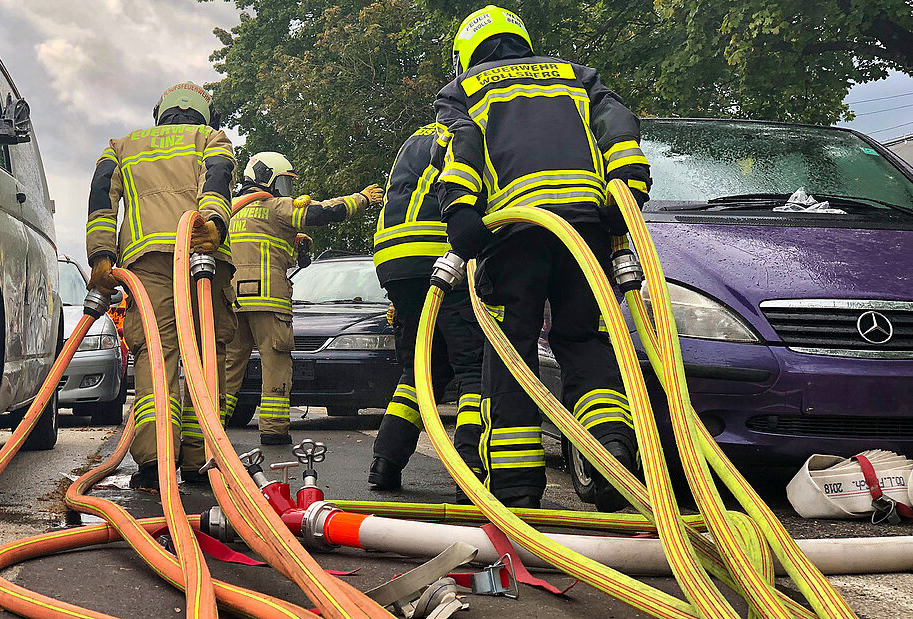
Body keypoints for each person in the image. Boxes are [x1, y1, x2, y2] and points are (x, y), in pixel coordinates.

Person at [434, 6, 652, 511]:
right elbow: (618, 125)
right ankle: (610, 457)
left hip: (514, 233)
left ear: (467, 51)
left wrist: (462, 213)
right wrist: (627, 191)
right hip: (588, 227)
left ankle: (516, 488)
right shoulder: (577, 75)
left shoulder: (466, 87)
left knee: (511, 351)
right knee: (581, 339)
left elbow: (460, 146)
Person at [85, 81, 237, 490]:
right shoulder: (211, 137)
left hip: (145, 263)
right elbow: (218, 178)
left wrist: (101, 258)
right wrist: (213, 226)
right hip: (201, 256)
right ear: (205, 114)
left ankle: (154, 462)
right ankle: (202, 458)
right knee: (206, 353)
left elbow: (102, 196)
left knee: (156, 354)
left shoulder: (121, 146)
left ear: (161, 113)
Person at [220, 152, 383, 444]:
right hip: (268, 301)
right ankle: (273, 430)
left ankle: (214, 426)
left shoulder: (229, 212)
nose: (285, 189)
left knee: (230, 367)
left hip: (233, 301)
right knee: (276, 362)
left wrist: (293, 244)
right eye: (282, 181)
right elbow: (321, 212)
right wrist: (362, 198)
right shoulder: (275, 206)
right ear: (266, 178)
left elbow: (260, 246)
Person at [367, 123, 486, 501]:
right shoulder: (474, 130)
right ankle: (469, 472)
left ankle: (385, 463)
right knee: (473, 366)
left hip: (392, 258)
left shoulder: (416, 138)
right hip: (438, 251)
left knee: (421, 368)